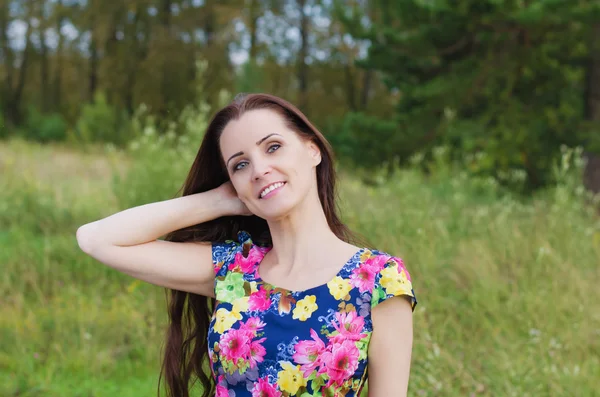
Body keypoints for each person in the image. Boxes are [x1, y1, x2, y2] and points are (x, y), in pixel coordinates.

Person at [76, 93, 417, 397]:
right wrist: (217, 201)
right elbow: (96, 240)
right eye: (240, 164)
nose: (259, 169)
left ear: (312, 149)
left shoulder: (377, 280)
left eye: (272, 147)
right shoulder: (234, 271)